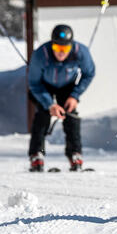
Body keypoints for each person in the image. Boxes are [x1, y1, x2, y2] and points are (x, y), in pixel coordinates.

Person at [27, 24, 96, 172]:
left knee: (71, 117)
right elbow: (34, 83)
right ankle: (36, 155)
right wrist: (50, 104)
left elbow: (89, 73)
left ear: (71, 46)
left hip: (67, 87)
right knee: (42, 116)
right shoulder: (40, 55)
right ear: (52, 45)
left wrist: (75, 96)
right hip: (43, 86)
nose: (61, 53)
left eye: (65, 49)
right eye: (57, 48)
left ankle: (75, 154)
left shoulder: (81, 52)